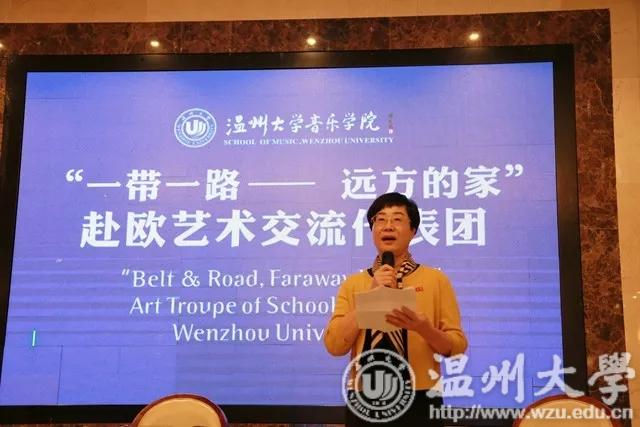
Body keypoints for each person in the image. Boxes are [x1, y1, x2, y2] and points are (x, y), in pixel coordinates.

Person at [324, 192, 467, 426]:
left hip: (420, 397)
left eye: (397, 219)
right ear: (372, 230)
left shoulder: (436, 280)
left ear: (413, 231)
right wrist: (370, 299)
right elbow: (334, 345)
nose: (387, 226)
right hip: (365, 397)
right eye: (380, 220)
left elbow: (457, 349)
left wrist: (424, 328)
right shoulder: (354, 284)